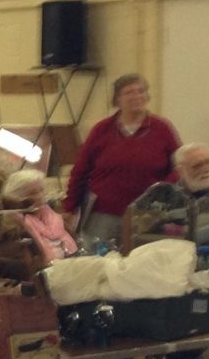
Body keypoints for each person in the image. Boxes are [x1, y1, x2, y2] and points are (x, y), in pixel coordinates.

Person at [64, 73, 181, 246]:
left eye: (141, 91)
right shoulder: (101, 130)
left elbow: (178, 166)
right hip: (104, 212)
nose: (136, 96)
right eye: (129, 92)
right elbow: (80, 171)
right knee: (97, 260)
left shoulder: (162, 129)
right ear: (117, 99)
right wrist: (70, 206)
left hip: (148, 214)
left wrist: (161, 192)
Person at [4, 169, 76, 264]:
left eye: (41, 190)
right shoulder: (18, 223)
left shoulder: (50, 214)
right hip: (48, 270)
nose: (40, 196)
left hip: (71, 261)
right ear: (18, 196)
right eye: (32, 193)